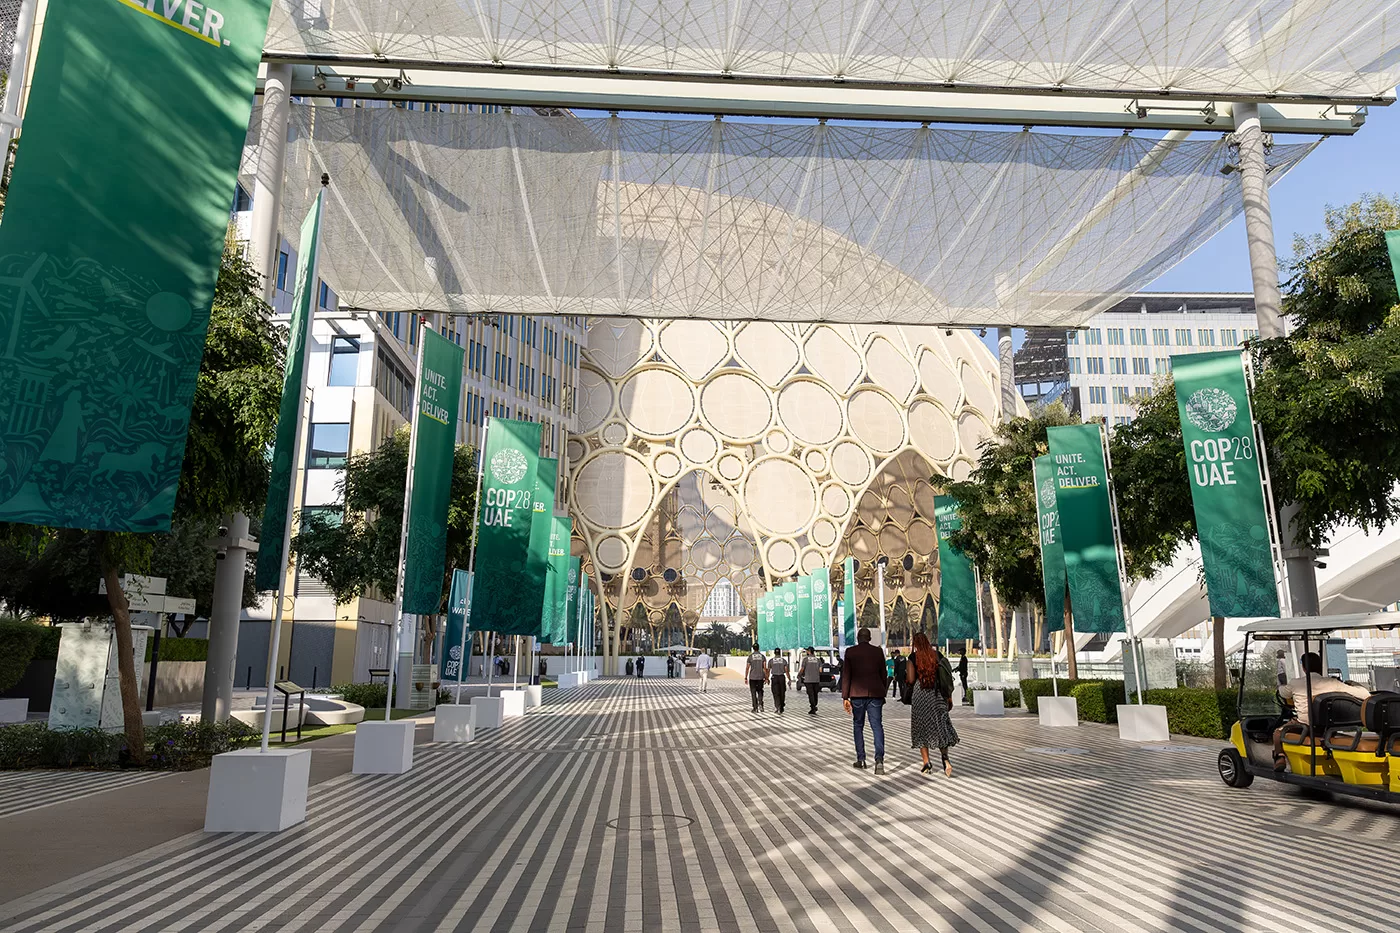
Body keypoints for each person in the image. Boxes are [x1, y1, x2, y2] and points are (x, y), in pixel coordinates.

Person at [1272, 651, 1370, 769]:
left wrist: (1280, 686)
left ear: (1303, 667)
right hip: (1328, 727)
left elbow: (1283, 693)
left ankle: (1280, 757)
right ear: (1320, 666)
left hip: (1305, 726)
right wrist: (1351, 683)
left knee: (1277, 733)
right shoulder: (1333, 683)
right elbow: (1365, 694)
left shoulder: (1296, 683)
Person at [907, 632, 959, 777]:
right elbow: (945, 677)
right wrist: (948, 697)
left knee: (921, 728)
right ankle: (945, 759)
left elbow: (911, 680)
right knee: (940, 726)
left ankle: (926, 763)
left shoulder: (913, 658)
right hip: (937, 695)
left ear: (915, 644)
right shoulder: (938, 655)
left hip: (920, 695)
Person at [842, 627, 889, 774]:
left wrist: (845, 696)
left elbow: (847, 675)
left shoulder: (851, 652)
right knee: (877, 726)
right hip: (875, 695)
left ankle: (861, 759)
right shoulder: (877, 652)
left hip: (857, 695)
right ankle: (879, 760)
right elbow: (884, 673)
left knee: (858, 726)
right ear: (869, 638)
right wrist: (883, 692)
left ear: (857, 638)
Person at [746, 644, 768, 712]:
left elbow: (747, 668)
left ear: (753, 648)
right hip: (760, 677)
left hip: (752, 677)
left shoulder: (750, 657)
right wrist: (766, 677)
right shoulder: (762, 657)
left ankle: (755, 708)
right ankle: (761, 704)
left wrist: (745, 677)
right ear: (758, 648)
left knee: (753, 692)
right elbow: (764, 668)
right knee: (760, 691)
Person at [800, 647, 823, 714]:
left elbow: (802, 669)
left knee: (811, 694)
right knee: (815, 693)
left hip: (808, 680)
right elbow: (820, 670)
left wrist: (799, 675)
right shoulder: (818, 660)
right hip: (816, 680)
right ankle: (814, 705)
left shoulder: (805, 659)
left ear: (809, 651)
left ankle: (813, 707)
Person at [769, 649, 791, 714]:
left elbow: (768, 670)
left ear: (774, 653)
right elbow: (786, 671)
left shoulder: (771, 661)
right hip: (781, 677)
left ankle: (778, 707)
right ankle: (781, 706)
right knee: (782, 692)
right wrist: (789, 679)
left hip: (774, 677)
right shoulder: (784, 661)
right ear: (780, 653)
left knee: (776, 693)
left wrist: (766, 678)